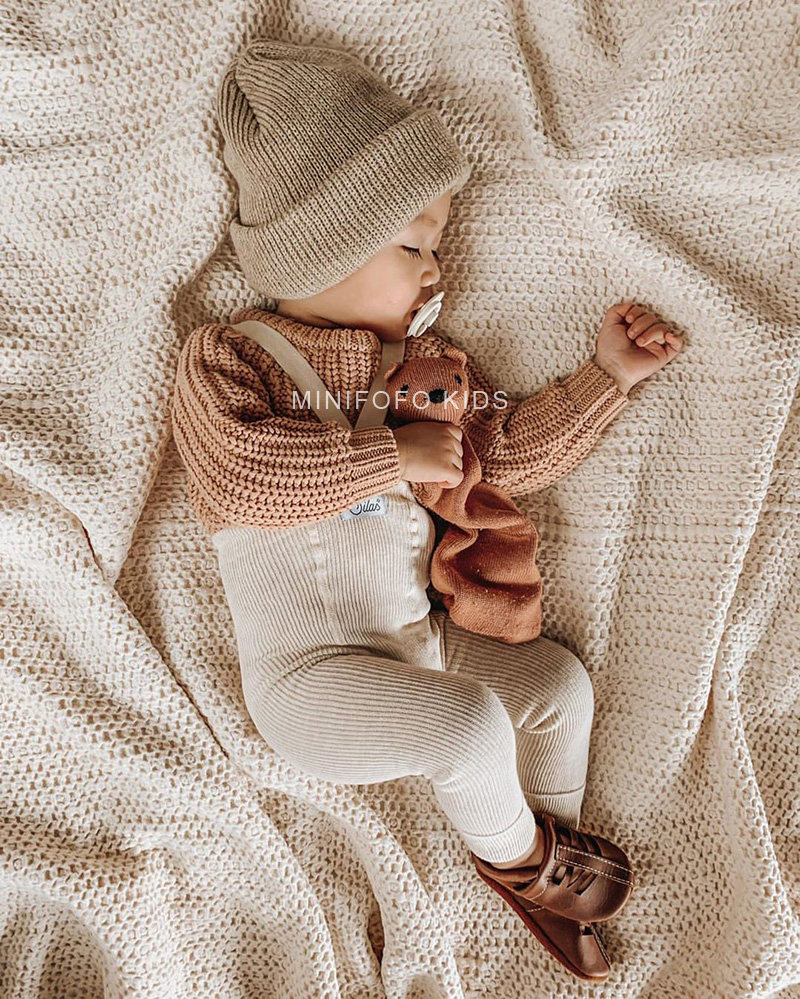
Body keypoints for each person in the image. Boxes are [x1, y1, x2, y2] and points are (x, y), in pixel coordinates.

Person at [170, 39, 683, 982]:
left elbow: (506, 455)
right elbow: (245, 478)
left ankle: (541, 850)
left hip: (418, 645)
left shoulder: (429, 371)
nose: (435, 271)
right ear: (324, 245)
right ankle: (526, 862)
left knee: (557, 685)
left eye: (437, 248)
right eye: (414, 245)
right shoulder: (228, 356)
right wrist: (390, 455)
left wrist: (605, 378)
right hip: (310, 682)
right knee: (471, 727)